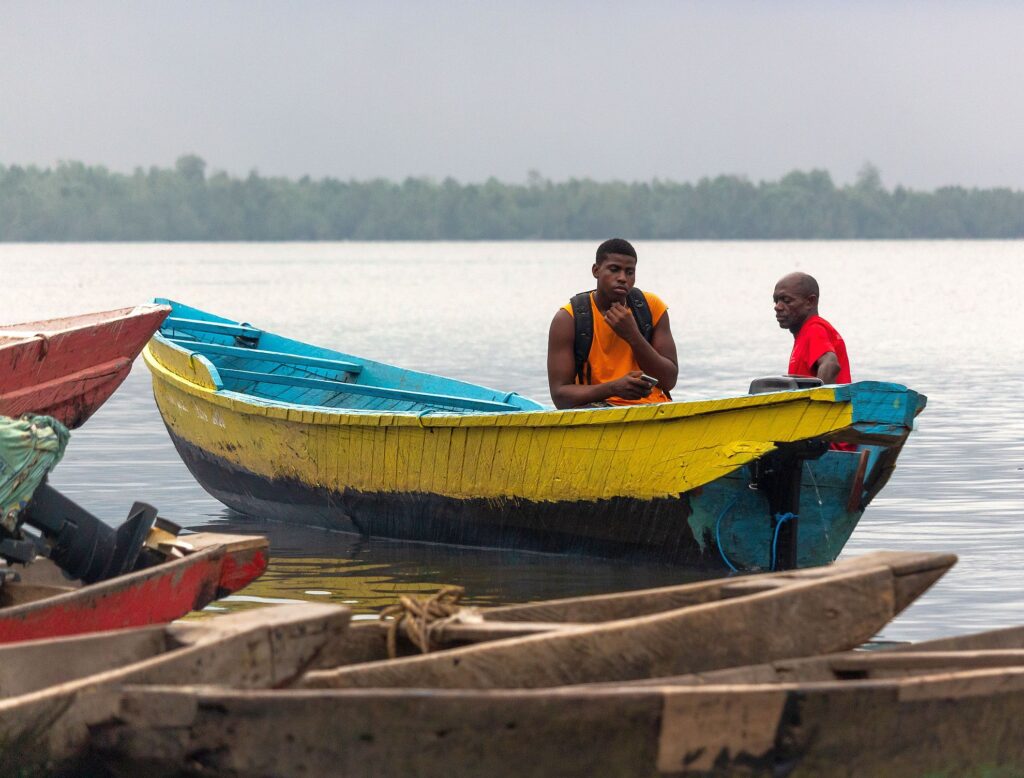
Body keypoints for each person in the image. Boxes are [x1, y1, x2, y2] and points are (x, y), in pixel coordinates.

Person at [547, 238, 678, 409]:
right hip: (597, 414)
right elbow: (560, 396)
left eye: (629, 272)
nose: (623, 278)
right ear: (596, 270)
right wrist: (613, 388)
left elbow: (669, 381)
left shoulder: (652, 307)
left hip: (655, 410)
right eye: (614, 269)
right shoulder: (567, 319)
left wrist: (633, 336)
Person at [773, 271, 851, 384]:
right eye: (776, 301)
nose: (777, 307)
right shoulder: (804, 334)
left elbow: (830, 365)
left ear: (810, 302)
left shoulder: (814, 329)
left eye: (786, 300)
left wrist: (818, 398)